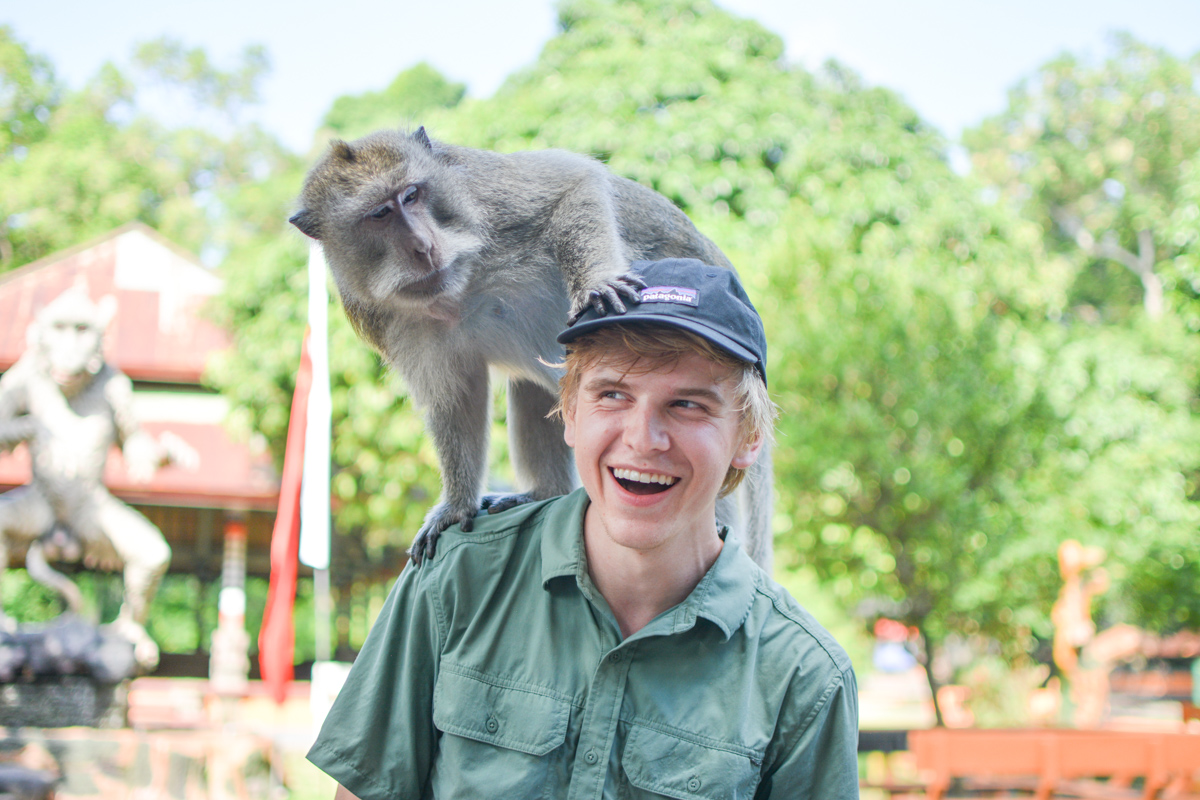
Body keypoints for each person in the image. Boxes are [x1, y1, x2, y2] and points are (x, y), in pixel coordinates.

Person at [308, 258, 860, 799]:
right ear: (568, 410)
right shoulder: (458, 578)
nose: (644, 439)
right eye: (613, 394)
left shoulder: (804, 677)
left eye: (687, 404)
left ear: (748, 438)